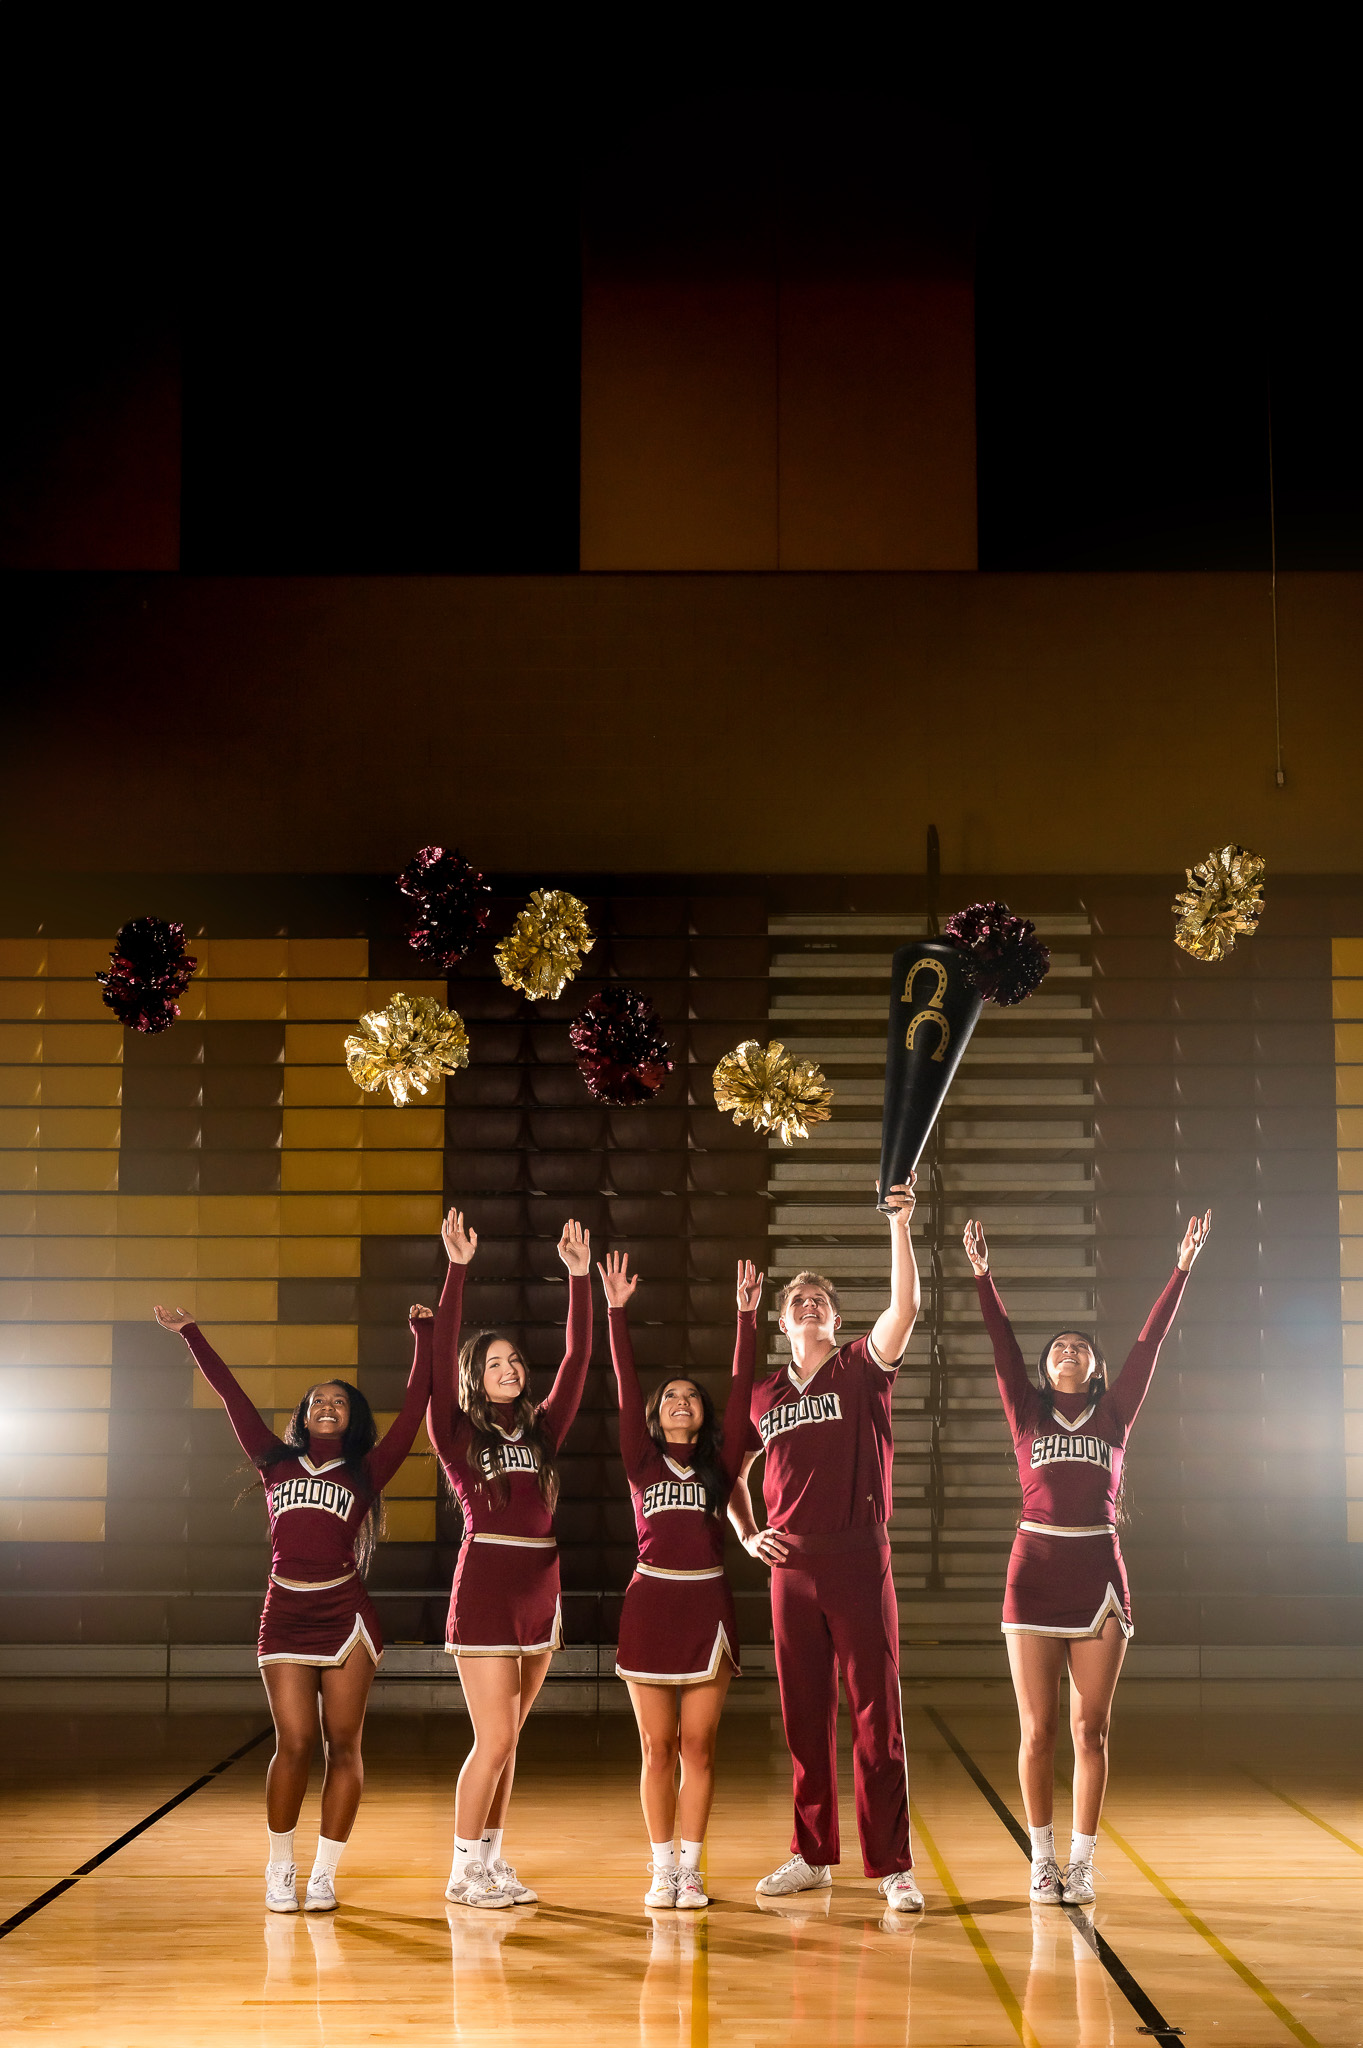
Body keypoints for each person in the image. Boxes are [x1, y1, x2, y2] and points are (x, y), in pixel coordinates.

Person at [962, 1208, 1212, 1907]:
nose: (1067, 1350)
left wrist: (1181, 1267)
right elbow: (1001, 1346)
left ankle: (1083, 1860)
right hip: (1034, 1571)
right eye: (1058, 1346)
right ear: (1045, 1368)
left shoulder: (1113, 1416)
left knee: (1089, 1729)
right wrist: (983, 1276)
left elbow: (1148, 1345)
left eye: (1079, 1346)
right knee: (1037, 1730)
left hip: (1099, 1572)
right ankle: (1040, 1860)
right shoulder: (1027, 1414)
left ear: (1095, 1367)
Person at [153, 1296, 434, 1913]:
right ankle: (280, 1866)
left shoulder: (366, 1469)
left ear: (352, 1416)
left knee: (345, 1743)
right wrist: (191, 1333)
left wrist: (422, 1335)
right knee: (295, 1742)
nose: (326, 1405)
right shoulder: (275, 1461)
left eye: (338, 1400)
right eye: (316, 1399)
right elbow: (233, 1399)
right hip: (284, 1612)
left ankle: (324, 1873)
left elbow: (416, 1410)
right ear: (303, 1415)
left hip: (347, 1617)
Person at [728, 1178, 924, 1913]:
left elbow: (903, 1308)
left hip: (857, 1557)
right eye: (795, 1303)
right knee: (804, 1718)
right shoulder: (760, 1396)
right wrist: (748, 1533)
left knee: (876, 1716)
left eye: (819, 1302)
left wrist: (898, 1226)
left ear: (836, 1321)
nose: (807, 1306)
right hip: (792, 1566)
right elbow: (724, 1473)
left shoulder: (860, 1368)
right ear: (781, 1325)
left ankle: (892, 1865)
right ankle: (810, 1854)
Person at [427, 1205, 593, 1910]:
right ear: (474, 1376)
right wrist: (457, 1269)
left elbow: (579, 1359)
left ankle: (492, 1863)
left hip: (540, 1584)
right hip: (489, 1584)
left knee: (511, 1742)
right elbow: (437, 1355)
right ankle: (462, 1872)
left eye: (515, 1361)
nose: (510, 1369)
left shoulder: (544, 1429)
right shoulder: (455, 1430)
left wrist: (578, 1281)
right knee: (492, 1737)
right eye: (494, 1363)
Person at [600, 1249, 762, 1910]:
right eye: (669, 1398)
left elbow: (743, 1382)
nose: (679, 1403)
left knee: (698, 1744)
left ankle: (691, 1870)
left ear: (702, 1414)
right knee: (656, 1746)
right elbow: (623, 1379)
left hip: (706, 1605)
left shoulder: (720, 1464)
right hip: (650, 1602)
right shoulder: (638, 1460)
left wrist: (746, 1318)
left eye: (690, 1398)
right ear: (653, 1414)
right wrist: (614, 1311)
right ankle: (661, 1867)